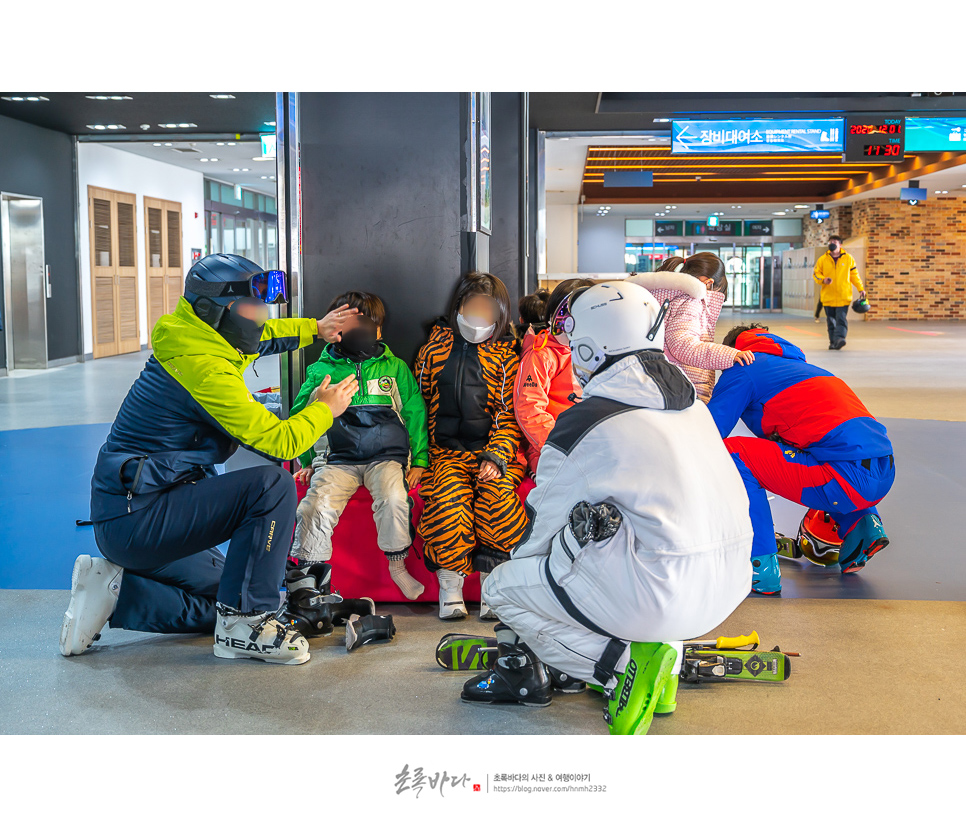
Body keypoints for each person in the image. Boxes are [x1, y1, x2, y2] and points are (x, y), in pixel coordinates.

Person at [463, 281, 754, 735]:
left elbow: (540, 527)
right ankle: (666, 672)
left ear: (587, 345)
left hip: (660, 598)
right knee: (632, 542)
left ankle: (615, 668)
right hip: (729, 583)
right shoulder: (692, 405)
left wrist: (533, 606)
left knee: (503, 587)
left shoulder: (586, 422)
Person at [61, 254, 359, 665]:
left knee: (229, 590)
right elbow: (281, 442)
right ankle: (248, 624)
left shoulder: (197, 335)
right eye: (252, 306)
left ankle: (117, 593)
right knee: (271, 486)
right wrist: (325, 408)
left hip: (141, 510)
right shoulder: (205, 368)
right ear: (215, 310)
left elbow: (263, 335)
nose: (262, 315)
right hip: (138, 518)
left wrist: (316, 329)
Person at [706, 323, 894, 595]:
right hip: (883, 470)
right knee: (822, 451)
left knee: (734, 453)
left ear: (731, 351)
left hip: (844, 479)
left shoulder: (743, 367)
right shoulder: (800, 368)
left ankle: (759, 566)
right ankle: (863, 525)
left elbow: (709, 432)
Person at [289, 291, 429, 601]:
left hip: (386, 459)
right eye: (349, 324)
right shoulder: (320, 371)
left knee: (394, 499)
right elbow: (302, 416)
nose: (358, 330)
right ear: (335, 329)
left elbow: (415, 413)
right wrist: (308, 460)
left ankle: (397, 566)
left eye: (366, 324)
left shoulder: (395, 369)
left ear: (379, 330)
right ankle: (311, 577)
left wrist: (419, 460)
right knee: (315, 505)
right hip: (339, 460)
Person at [415, 271, 528, 620]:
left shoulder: (508, 356)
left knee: (498, 503)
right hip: (445, 454)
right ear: (459, 307)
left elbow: (510, 414)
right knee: (446, 504)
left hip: (494, 454)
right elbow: (418, 406)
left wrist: (497, 455)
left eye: (488, 310)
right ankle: (450, 586)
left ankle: (494, 586)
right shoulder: (433, 350)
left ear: (500, 315)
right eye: (473, 306)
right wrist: (417, 455)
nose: (479, 316)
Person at [627, 253, 754, 402]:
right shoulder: (690, 301)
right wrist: (729, 355)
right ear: (708, 283)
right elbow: (682, 345)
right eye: (716, 292)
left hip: (660, 380)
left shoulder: (664, 295)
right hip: (681, 386)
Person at [514, 278, 592, 478]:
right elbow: (529, 409)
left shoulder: (594, 351)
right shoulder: (541, 355)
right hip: (550, 448)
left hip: (589, 441)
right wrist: (560, 445)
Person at [813, 235, 866, 350]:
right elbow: (816, 274)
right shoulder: (823, 259)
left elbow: (854, 275)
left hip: (843, 296)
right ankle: (833, 342)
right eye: (831, 241)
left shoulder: (848, 259)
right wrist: (823, 279)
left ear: (840, 245)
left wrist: (860, 288)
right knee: (831, 321)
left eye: (835, 242)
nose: (832, 243)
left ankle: (840, 339)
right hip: (828, 297)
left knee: (841, 319)